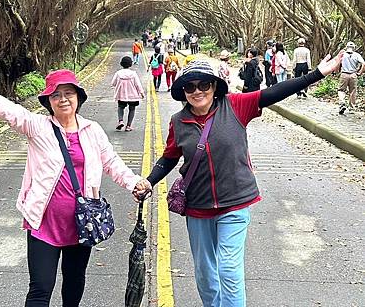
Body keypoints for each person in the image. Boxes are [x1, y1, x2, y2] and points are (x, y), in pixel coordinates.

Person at [133, 54, 342, 307]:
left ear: (214, 86)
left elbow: (273, 93)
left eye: (204, 85)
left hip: (235, 202)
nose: (197, 91)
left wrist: (316, 74)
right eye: (190, 86)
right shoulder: (178, 122)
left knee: (229, 270)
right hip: (198, 206)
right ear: (183, 92)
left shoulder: (235, 105)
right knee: (205, 274)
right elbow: (169, 158)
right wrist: (149, 181)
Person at [0, 65, 151, 307]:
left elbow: (112, 162)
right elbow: (8, 111)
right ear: (48, 101)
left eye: (68, 93)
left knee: (74, 283)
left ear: (78, 97)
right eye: (56, 95)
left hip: (81, 222)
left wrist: (133, 181)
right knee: (40, 288)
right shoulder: (38, 126)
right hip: (43, 222)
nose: (63, 99)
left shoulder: (92, 130)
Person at [111, 56, 145, 131]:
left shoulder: (118, 73)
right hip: (133, 96)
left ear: (121, 64)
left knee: (121, 107)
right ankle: (128, 126)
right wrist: (142, 93)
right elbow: (138, 84)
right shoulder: (133, 74)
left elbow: (113, 83)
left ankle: (120, 121)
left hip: (121, 95)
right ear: (130, 64)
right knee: (132, 109)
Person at [338, 41, 365, 114]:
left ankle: (342, 103)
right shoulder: (357, 55)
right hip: (353, 75)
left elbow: (338, 63)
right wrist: (360, 72)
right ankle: (351, 107)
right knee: (353, 91)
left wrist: (337, 70)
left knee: (341, 90)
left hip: (344, 74)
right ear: (354, 48)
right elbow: (363, 64)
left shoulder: (343, 54)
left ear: (347, 47)